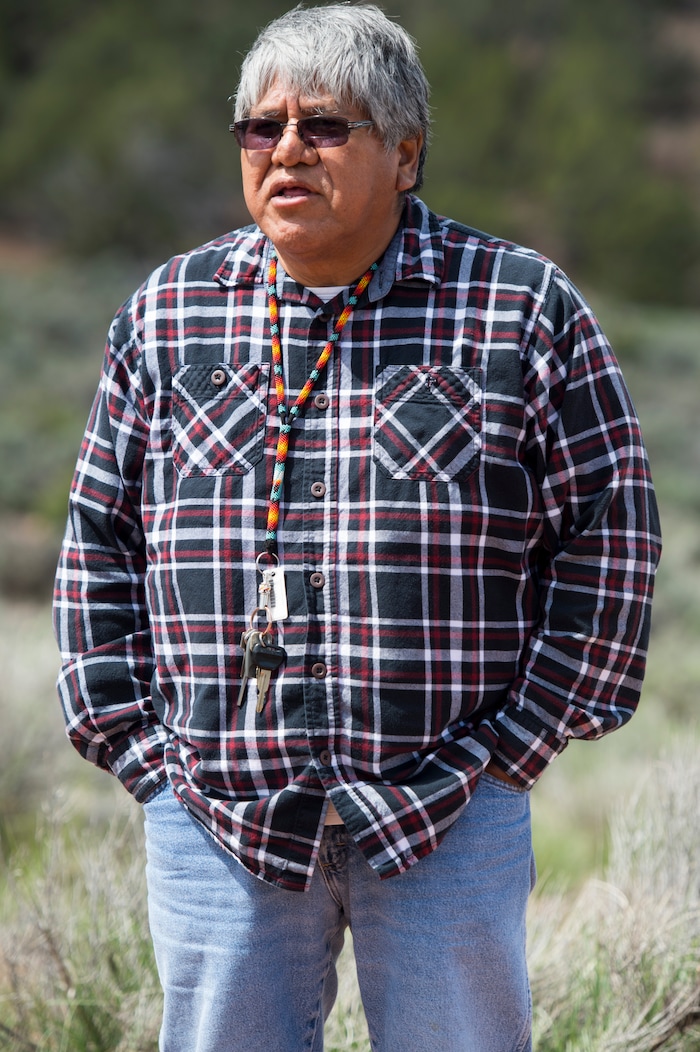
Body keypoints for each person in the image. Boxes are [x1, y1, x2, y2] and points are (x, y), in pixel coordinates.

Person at [53, 4, 661, 1050]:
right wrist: (141, 752)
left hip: (446, 807)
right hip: (216, 815)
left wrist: (516, 747)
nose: (286, 149)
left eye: (324, 126)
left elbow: (611, 536)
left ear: (406, 153)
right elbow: (99, 537)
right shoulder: (168, 312)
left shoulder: (518, 308)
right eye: (261, 127)